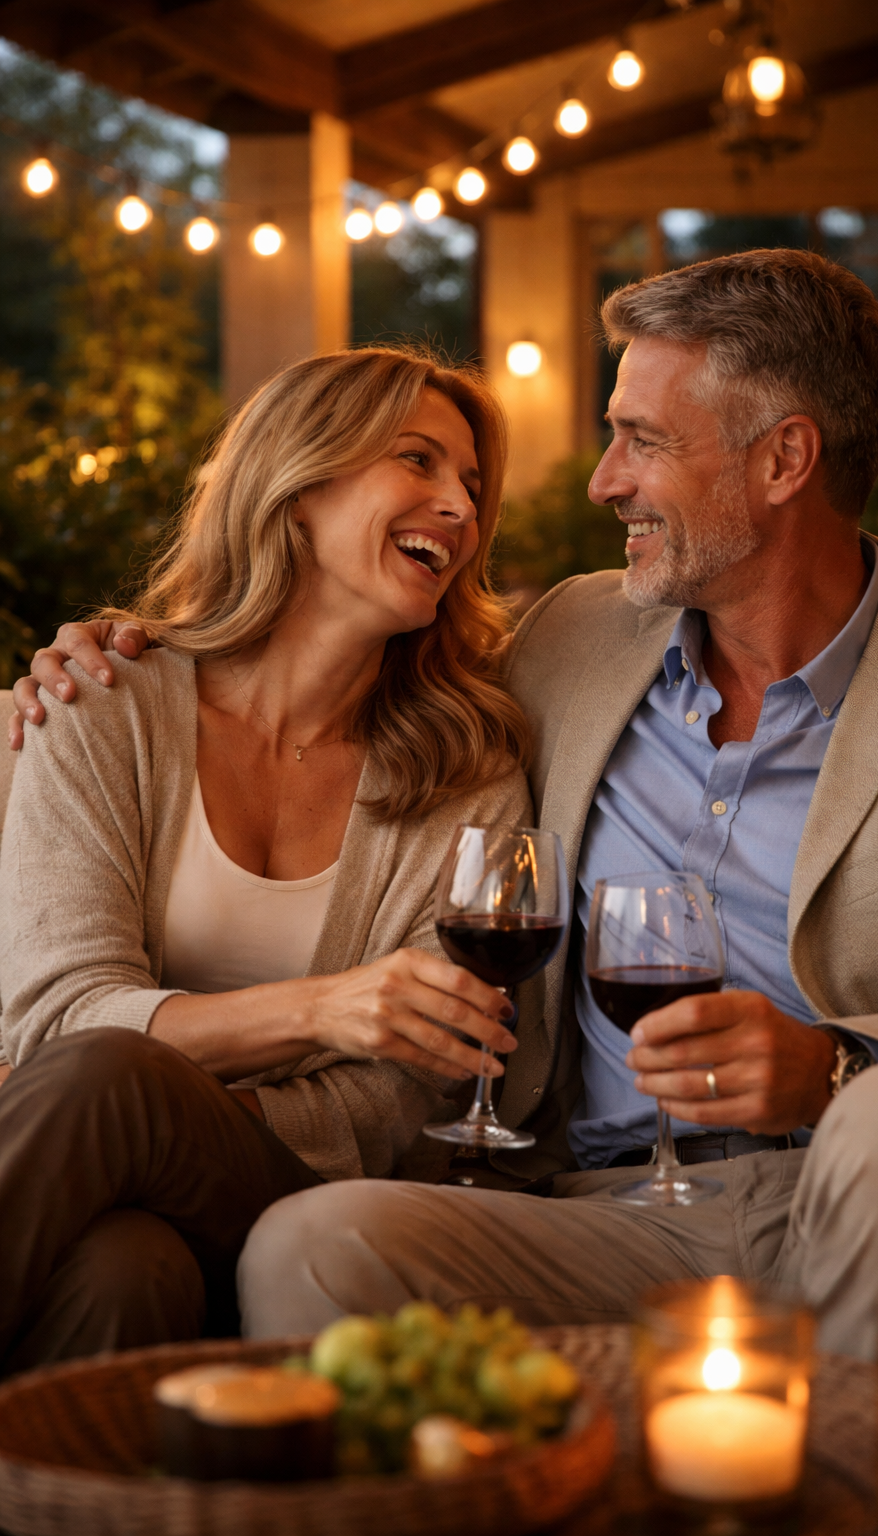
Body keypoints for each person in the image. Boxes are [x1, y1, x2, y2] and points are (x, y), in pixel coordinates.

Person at [14, 252, 878, 1361]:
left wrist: (830, 1065)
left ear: (784, 457)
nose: (600, 482)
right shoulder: (571, 643)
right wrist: (104, 653)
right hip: (591, 1208)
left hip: (850, 1178)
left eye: (641, 438)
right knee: (288, 1245)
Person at [0, 346, 532, 1374]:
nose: (458, 508)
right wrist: (324, 1011)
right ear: (299, 486)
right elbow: (56, 1010)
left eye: (471, 485)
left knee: (116, 1074)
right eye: (417, 462)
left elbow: (404, 1093)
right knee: (127, 1272)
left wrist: (170, 1114)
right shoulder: (100, 704)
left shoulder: (466, 773)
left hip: (305, 1192)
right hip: (114, 1182)